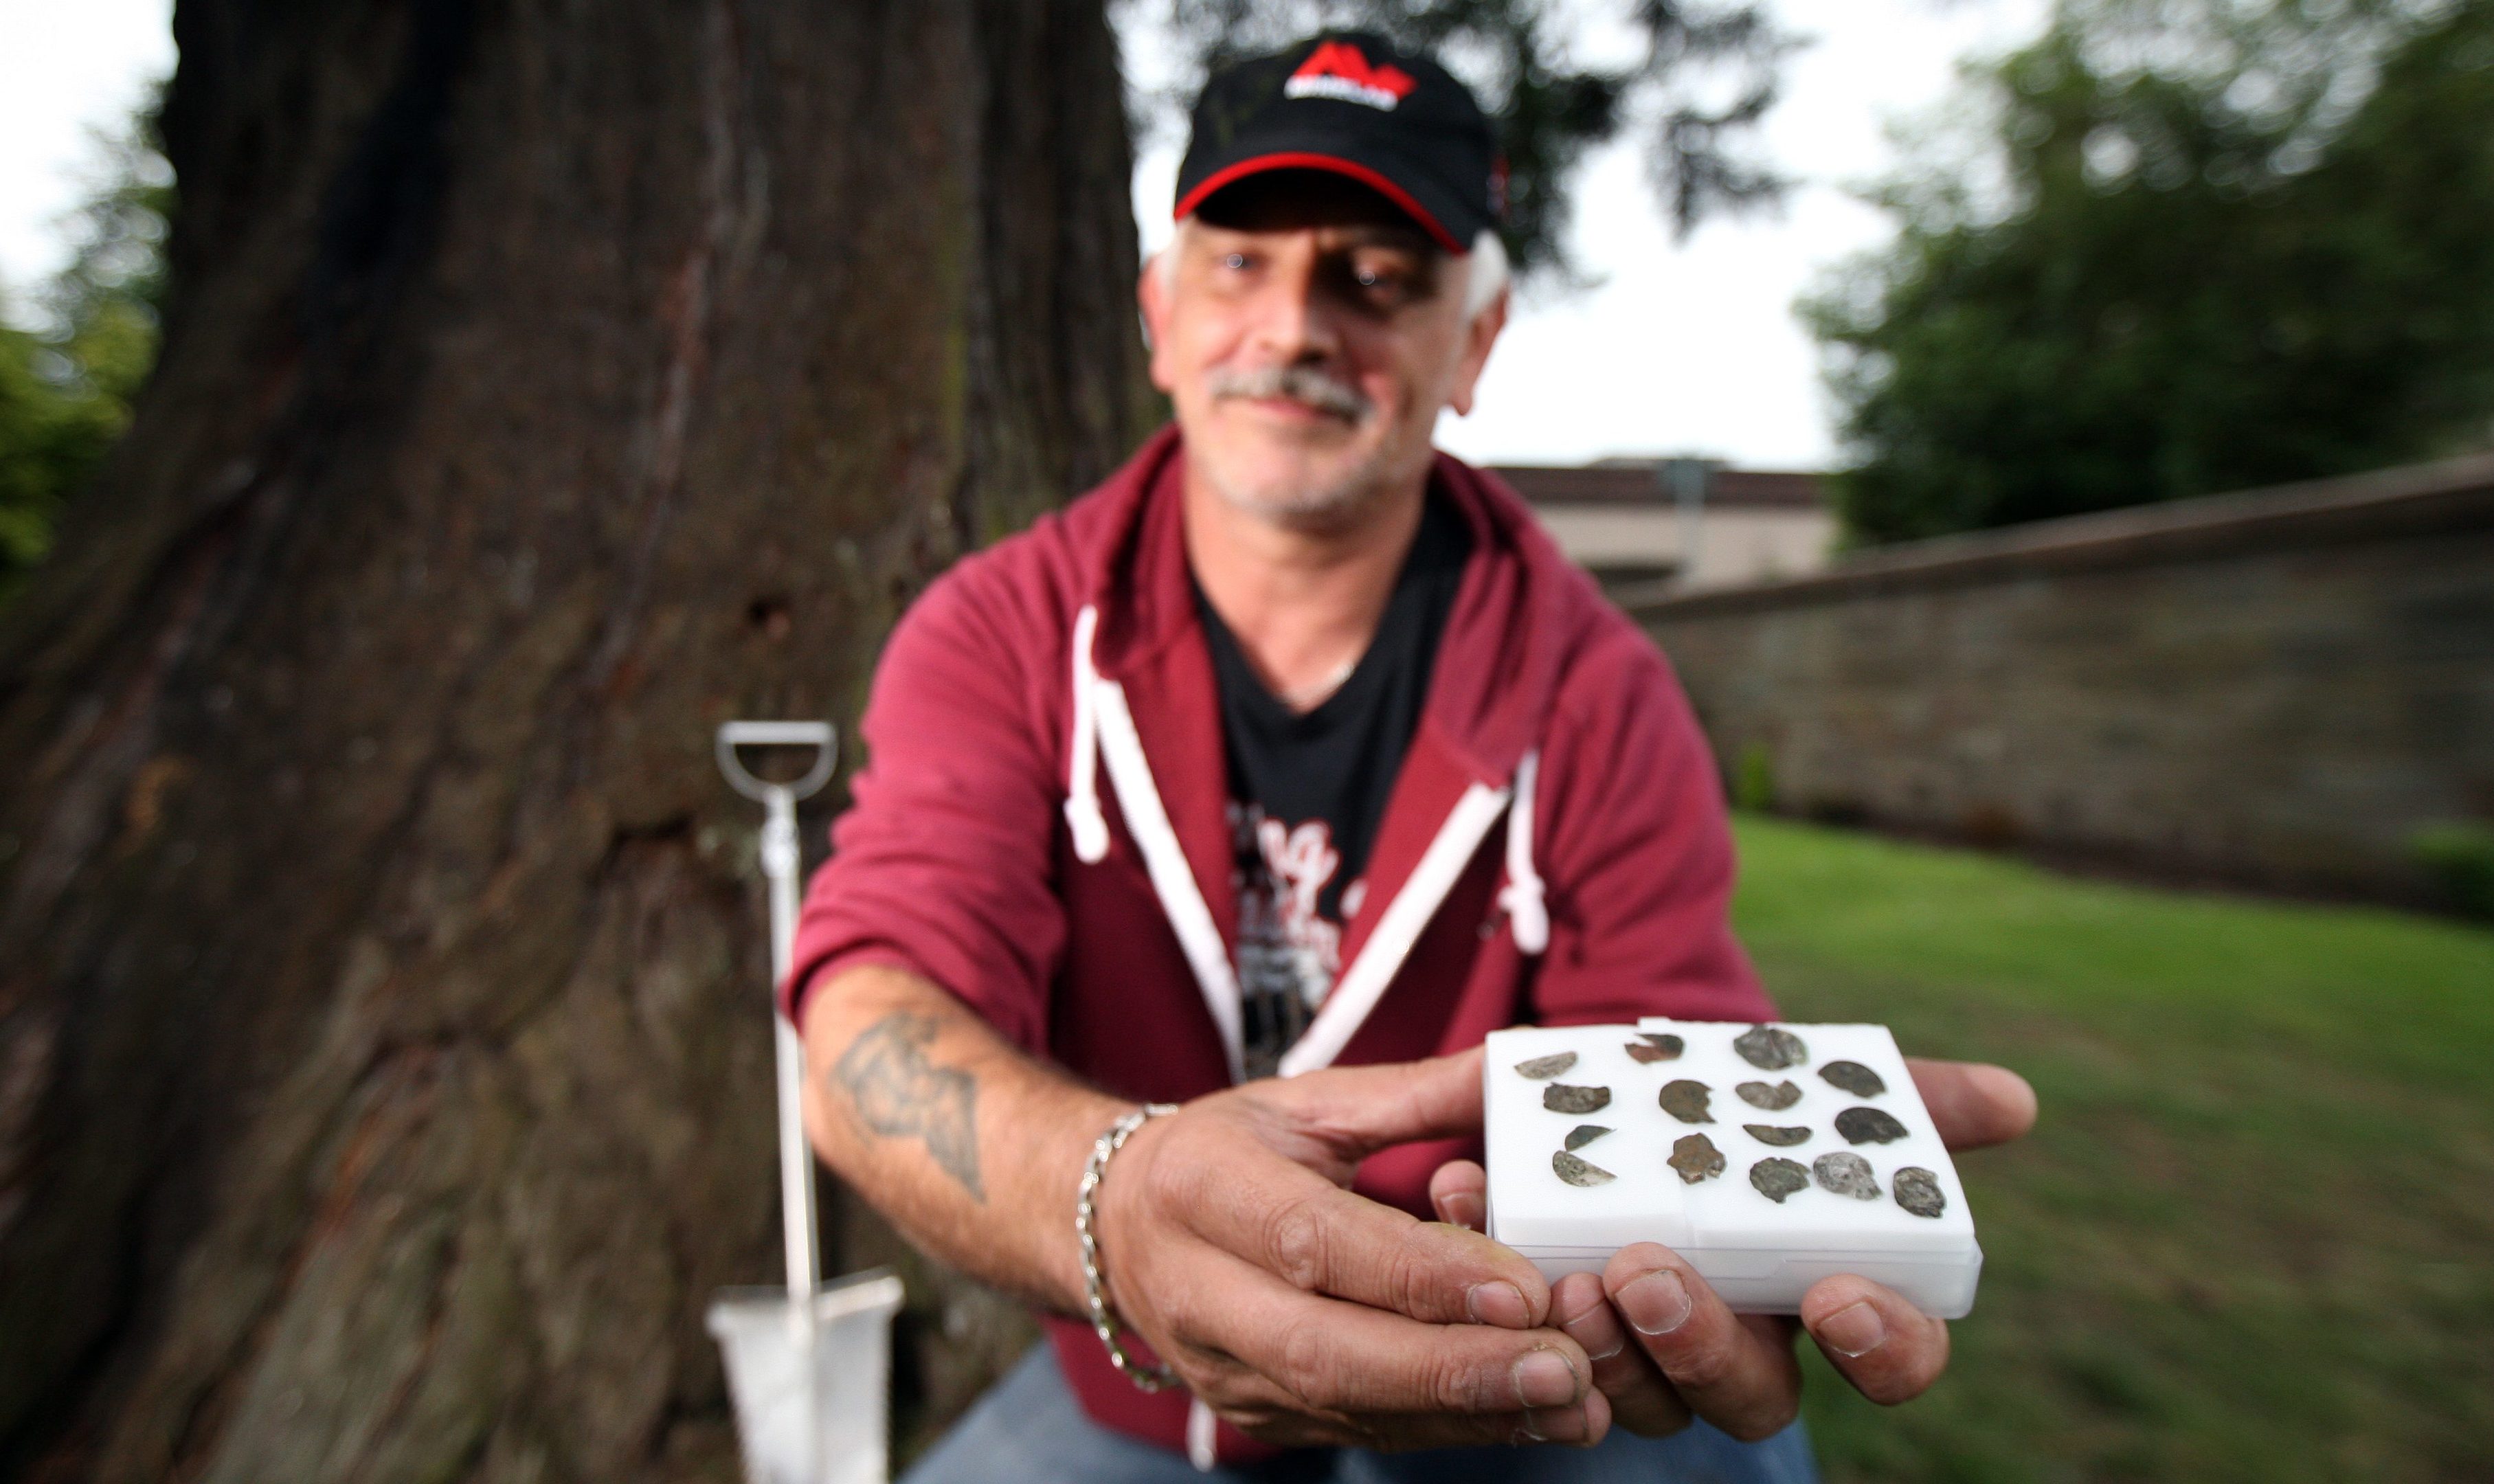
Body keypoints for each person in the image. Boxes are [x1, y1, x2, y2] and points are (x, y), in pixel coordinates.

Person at [783, 30, 2036, 1483]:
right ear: (1160, 315)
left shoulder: (1600, 693)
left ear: (1476, 344)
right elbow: (876, 1002)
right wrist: (1110, 1199)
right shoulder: (999, 634)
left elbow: (1667, 1058)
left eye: (1378, 278)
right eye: (1239, 262)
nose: (1298, 326)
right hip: (1144, 1404)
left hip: (1514, 1380)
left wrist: (1712, 1253)